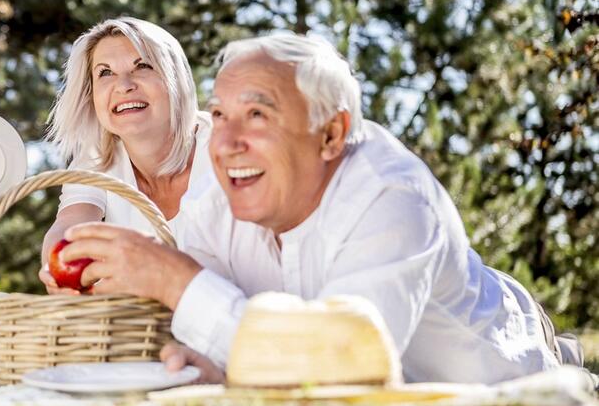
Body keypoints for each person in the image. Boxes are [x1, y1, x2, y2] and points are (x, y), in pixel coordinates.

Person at [56, 32, 588, 384]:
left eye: (258, 114)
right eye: (220, 116)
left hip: (496, 372)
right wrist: (208, 364)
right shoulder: (221, 200)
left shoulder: (391, 192)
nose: (226, 142)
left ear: (331, 132)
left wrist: (174, 280)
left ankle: (568, 356)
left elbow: (352, 356)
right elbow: (216, 322)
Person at [39, 17, 221, 294]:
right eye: (105, 73)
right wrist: (59, 269)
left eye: (143, 66)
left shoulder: (223, 143)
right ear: (91, 95)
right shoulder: (96, 157)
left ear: (176, 80)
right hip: (149, 332)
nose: (123, 85)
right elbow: (70, 228)